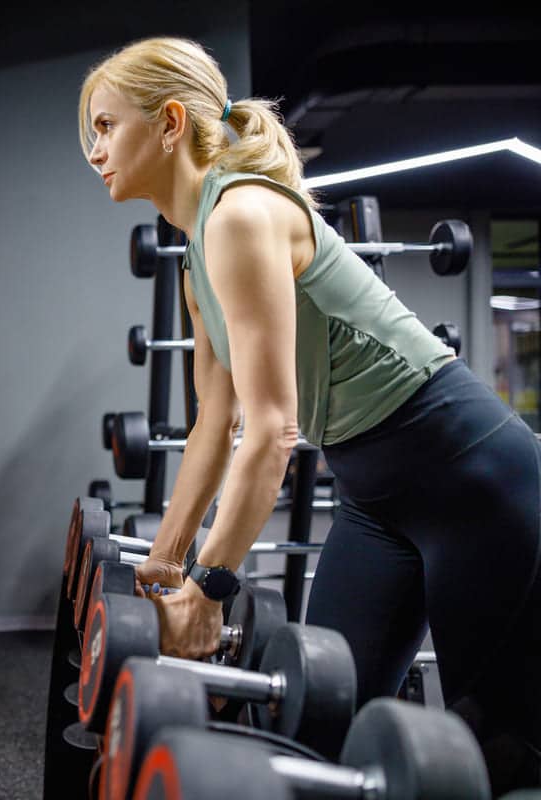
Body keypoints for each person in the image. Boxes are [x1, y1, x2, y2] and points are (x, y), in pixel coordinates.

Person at [79, 37, 540, 792]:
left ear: (168, 124)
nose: (95, 150)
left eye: (106, 126)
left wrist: (212, 586)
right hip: (372, 497)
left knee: (494, 746)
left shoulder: (241, 215)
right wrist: (164, 570)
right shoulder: (196, 256)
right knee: (324, 714)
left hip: (470, 476)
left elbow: (271, 431)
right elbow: (212, 424)